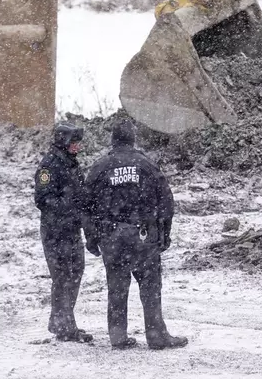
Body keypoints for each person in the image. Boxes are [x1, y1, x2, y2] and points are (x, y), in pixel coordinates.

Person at [85, 118, 187, 350]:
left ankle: (117, 336)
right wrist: (165, 234)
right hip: (142, 235)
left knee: (117, 286)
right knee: (150, 286)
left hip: (110, 236)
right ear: (133, 138)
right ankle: (156, 335)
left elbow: (85, 205)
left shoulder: (100, 167)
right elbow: (166, 203)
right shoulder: (146, 165)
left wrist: (91, 237)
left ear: (113, 139)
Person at [34, 122, 93, 343]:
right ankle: (63, 325)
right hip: (55, 231)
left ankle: (61, 321)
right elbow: (43, 199)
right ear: (63, 141)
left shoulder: (71, 163)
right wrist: (70, 206)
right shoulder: (49, 165)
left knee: (74, 272)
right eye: (74, 142)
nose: (77, 146)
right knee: (63, 277)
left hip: (71, 229)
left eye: (78, 142)